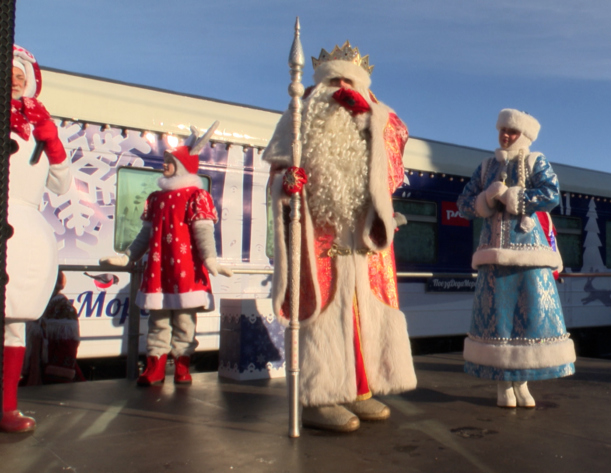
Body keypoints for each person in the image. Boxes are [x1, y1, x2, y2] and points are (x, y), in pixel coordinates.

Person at [263, 41, 416, 432]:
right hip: (320, 233)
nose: (341, 87)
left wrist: (372, 118)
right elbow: (275, 178)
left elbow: (396, 161)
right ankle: (319, 397)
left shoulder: (377, 120)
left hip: (362, 236)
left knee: (365, 311)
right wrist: (286, 183)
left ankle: (358, 391)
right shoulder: (300, 115)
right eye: (334, 80)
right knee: (324, 310)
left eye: (349, 80)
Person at [456, 109, 575, 408]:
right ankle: (502, 387)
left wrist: (514, 198)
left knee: (528, 321)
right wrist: (486, 199)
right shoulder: (485, 167)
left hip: (528, 256)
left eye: (512, 131)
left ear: (524, 136)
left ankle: (521, 383)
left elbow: (551, 194)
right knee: (499, 323)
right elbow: (464, 204)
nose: (506, 135)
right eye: (503, 130)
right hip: (493, 256)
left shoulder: (537, 161)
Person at [101, 122, 232, 386]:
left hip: (186, 268)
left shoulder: (196, 195)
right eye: (165, 161)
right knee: (158, 321)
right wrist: (128, 257)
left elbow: (203, 232)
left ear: (182, 166)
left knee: (185, 321)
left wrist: (210, 259)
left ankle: (182, 366)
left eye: (169, 162)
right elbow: (145, 236)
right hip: (160, 269)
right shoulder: (156, 198)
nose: (164, 165)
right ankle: (155, 367)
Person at [3, 45, 71, 433]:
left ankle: (7, 407)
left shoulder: (39, 126)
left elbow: (61, 185)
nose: (15, 78)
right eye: (9, 72)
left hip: (24, 229)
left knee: (15, 323)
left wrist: (54, 145)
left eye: (20, 73)